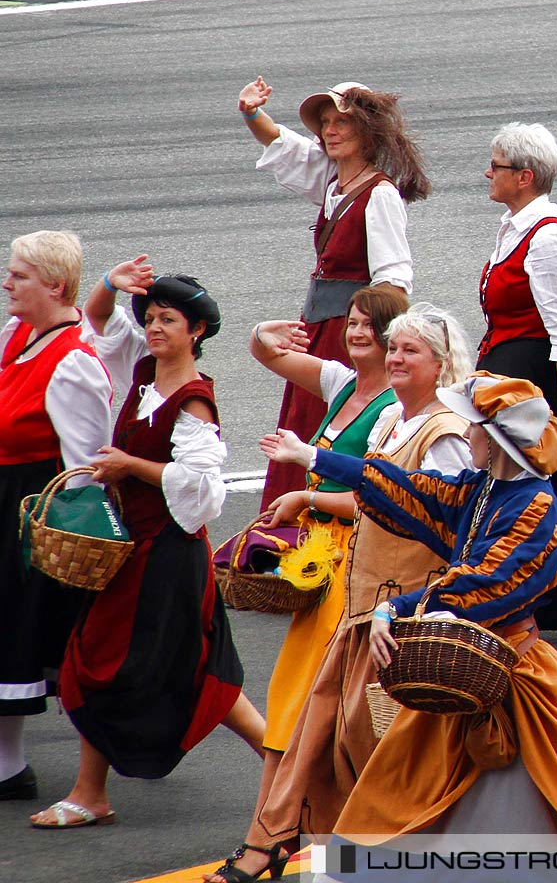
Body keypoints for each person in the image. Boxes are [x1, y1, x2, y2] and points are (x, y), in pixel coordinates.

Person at [261, 372, 557, 841]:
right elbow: (410, 487)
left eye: (475, 427)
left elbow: (485, 583)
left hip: (513, 674)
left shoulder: (534, 507)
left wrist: (400, 609)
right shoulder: (482, 489)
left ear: (498, 441)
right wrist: (312, 457)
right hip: (463, 663)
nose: (466, 434)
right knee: (411, 802)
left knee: (524, 816)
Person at [220, 306, 471, 878]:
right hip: (363, 601)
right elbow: (378, 495)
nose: (395, 357)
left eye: (411, 350)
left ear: (441, 364)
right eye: (396, 347)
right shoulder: (393, 424)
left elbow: (438, 521)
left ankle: (285, 842)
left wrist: (310, 473)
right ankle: (278, 840)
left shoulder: (445, 435)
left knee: (367, 738)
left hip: (400, 612)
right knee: (322, 724)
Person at [32, 262, 264, 828]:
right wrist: (112, 282)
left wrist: (129, 465)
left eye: (170, 319)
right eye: (152, 317)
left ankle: (292, 768)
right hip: (132, 554)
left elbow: (203, 489)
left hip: (166, 557)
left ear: (198, 332)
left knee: (142, 668)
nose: (156, 327)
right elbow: (96, 317)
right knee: (101, 662)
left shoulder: (192, 403)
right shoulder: (142, 378)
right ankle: (91, 791)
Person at [201, 285, 405, 882]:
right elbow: (264, 351)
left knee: (304, 708)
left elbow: (378, 499)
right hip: (317, 562)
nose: (357, 332)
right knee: (302, 708)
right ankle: (281, 833)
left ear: (393, 336)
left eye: (371, 326)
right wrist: (271, 325)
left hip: (349, 566)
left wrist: (305, 494)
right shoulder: (342, 382)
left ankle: (269, 838)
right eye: (354, 322)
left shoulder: (394, 406)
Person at [239, 76, 429, 507]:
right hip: (321, 328)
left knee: (327, 427)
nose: (330, 130)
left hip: (349, 334)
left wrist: (369, 338)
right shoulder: (335, 182)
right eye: (325, 122)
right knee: (306, 424)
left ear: (368, 130)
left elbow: (394, 282)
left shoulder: (379, 194)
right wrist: (251, 112)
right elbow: (283, 145)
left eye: (342, 121)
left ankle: (318, 514)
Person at [0, 232, 111, 805]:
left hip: (33, 515)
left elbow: (85, 467)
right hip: (7, 502)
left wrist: (59, 536)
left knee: (29, 632)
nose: (6, 283)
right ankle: (6, 767)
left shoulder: (72, 363)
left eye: (18, 275)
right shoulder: (19, 335)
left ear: (55, 285)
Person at [477, 122, 557, 638]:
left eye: (495, 165)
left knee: (553, 492)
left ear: (524, 176)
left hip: (537, 384)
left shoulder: (546, 238)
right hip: (513, 377)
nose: (487, 173)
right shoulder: (516, 225)